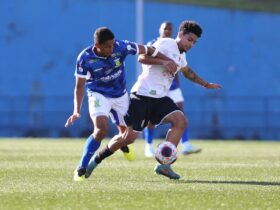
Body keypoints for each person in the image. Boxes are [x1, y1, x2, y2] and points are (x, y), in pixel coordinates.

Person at [85, 20, 221, 180]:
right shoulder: (165, 43)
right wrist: (164, 61)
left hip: (160, 98)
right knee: (128, 138)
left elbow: (187, 72)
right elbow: (142, 57)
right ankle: (96, 159)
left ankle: (164, 165)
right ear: (180, 35)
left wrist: (205, 84)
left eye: (195, 42)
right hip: (142, 95)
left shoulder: (181, 55)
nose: (191, 44)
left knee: (180, 121)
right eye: (189, 39)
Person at [65, 27, 177, 181]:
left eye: (112, 45)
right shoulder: (84, 58)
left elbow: (148, 49)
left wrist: (166, 60)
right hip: (99, 94)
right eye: (107, 46)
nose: (111, 49)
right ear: (97, 46)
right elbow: (79, 86)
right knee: (100, 130)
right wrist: (76, 110)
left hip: (121, 95)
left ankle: (122, 145)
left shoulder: (121, 46)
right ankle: (82, 166)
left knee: (128, 135)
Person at [144, 21, 201, 157]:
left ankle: (185, 144)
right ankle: (148, 146)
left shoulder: (178, 46)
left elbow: (179, 67)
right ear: (160, 30)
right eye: (165, 29)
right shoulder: (154, 43)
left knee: (180, 112)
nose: (167, 31)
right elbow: (145, 59)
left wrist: (178, 82)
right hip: (156, 84)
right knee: (149, 118)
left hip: (172, 85)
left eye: (170, 29)